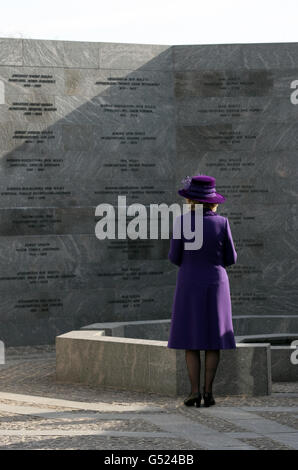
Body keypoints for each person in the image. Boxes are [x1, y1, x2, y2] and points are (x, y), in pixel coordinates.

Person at [167, 174, 237, 408]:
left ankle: (194, 392)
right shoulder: (222, 223)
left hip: (189, 282)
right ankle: (209, 393)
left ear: (191, 201)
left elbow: (174, 257)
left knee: (192, 339)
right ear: (212, 200)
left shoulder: (182, 222)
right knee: (213, 340)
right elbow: (231, 258)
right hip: (217, 283)